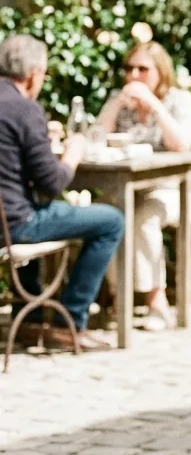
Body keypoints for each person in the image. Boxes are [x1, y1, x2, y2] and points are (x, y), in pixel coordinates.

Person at [0, 35, 122, 350]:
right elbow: (52, 184)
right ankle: (69, 320)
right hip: (15, 226)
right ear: (34, 74)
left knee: (28, 205)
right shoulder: (24, 110)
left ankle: (28, 318)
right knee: (111, 221)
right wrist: (72, 153)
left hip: (7, 217)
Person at [93, 41, 191, 331]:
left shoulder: (179, 100)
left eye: (143, 69)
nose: (134, 75)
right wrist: (115, 105)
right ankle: (119, 298)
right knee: (108, 218)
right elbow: (96, 138)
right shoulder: (120, 100)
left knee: (142, 220)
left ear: (161, 72)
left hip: (171, 189)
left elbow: (183, 145)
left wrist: (153, 104)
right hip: (126, 188)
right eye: (129, 69)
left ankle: (157, 302)